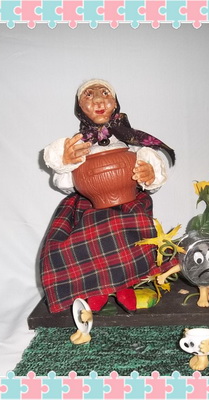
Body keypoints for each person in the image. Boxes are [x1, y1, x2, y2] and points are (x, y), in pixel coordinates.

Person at [40, 79, 176, 343]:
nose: (99, 101)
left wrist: (149, 173)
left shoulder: (129, 140)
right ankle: (96, 289)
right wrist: (66, 161)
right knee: (82, 242)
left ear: (115, 103)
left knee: (131, 236)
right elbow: (64, 183)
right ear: (80, 108)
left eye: (105, 94)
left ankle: (126, 285)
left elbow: (151, 162)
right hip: (91, 205)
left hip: (128, 203)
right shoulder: (78, 145)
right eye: (89, 96)